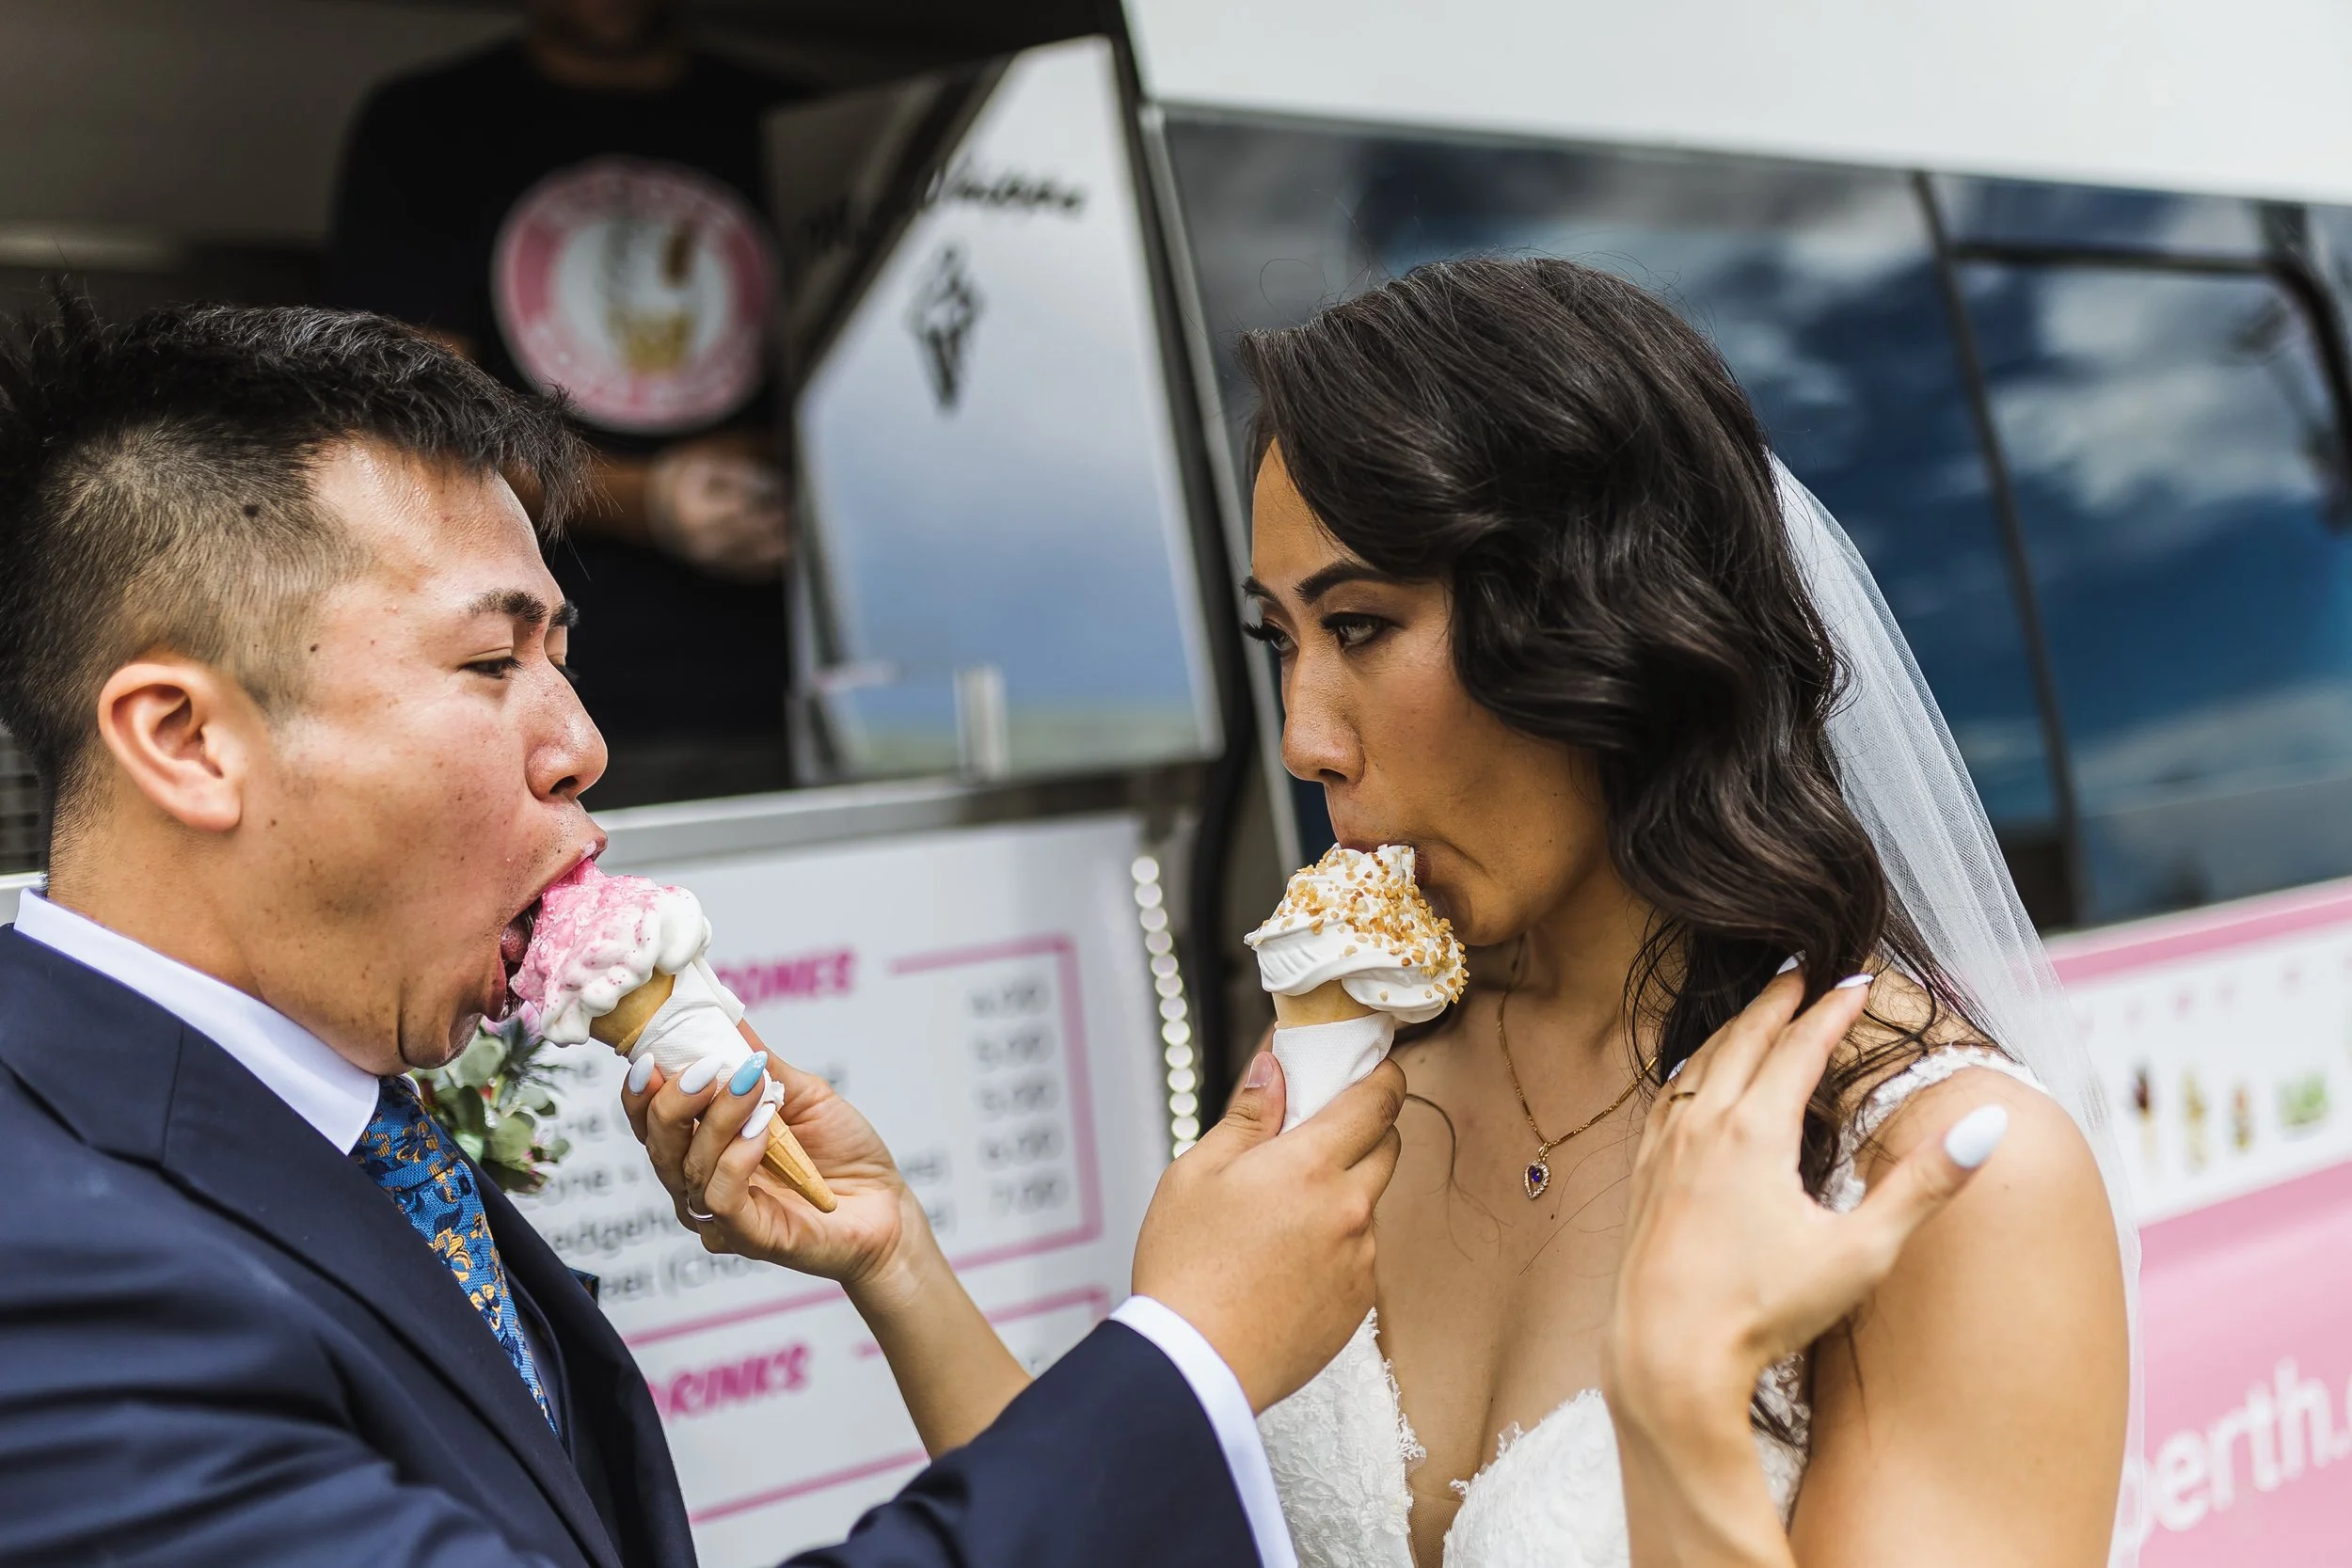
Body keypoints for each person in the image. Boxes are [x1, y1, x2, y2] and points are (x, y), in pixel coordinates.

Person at [643, 258, 2137, 1568]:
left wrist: (1685, 1403)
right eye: (1282, 639)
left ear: (1600, 623)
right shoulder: (1349, 1068)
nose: (1305, 737)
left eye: (1360, 626)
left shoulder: (1932, 1172)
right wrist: (896, 1259)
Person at [0, 294, 1404, 1568]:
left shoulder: (349, 1115)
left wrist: (890, 1257)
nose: (581, 745)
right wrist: (1186, 1354)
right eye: (489, 661)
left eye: (559, 657)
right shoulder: (52, 1272)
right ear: (183, 737)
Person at [328, 0, 802, 806]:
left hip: (798, 687)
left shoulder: (791, 122)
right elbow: (414, 426)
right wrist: (649, 501)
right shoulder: (429, 123)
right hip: (552, 698)